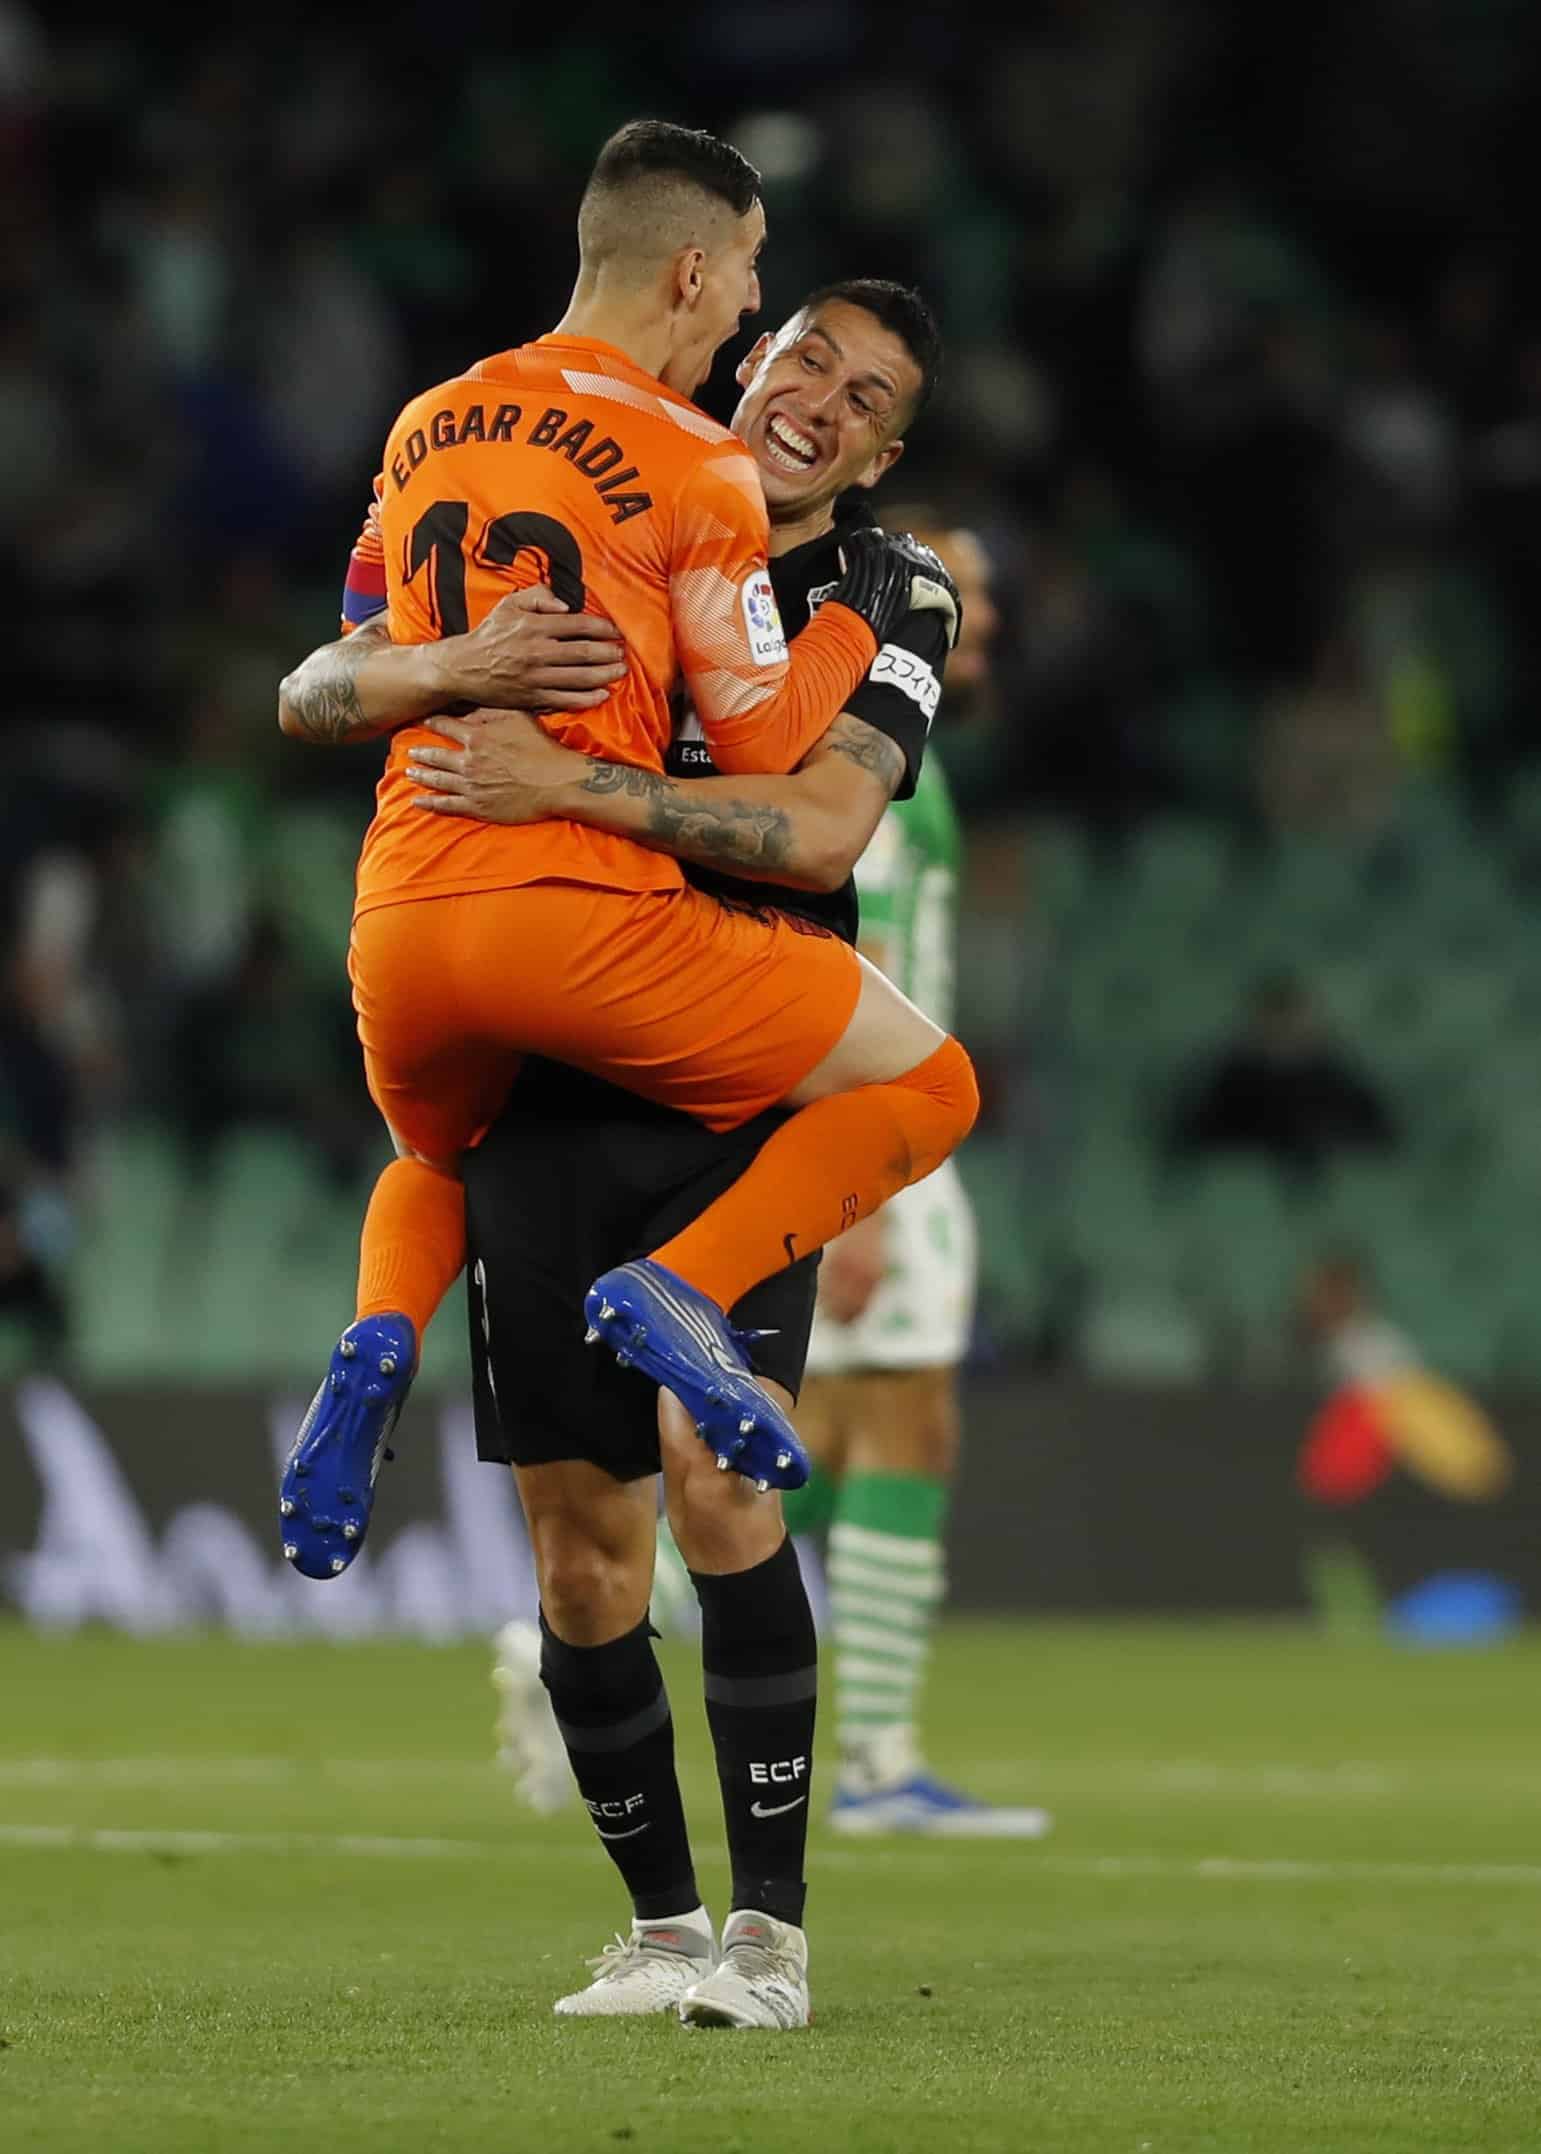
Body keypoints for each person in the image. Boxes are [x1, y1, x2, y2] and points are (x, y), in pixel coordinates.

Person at [277, 273, 954, 2029]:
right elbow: (352, 662)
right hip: (552, 1073)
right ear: (745, 343)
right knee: (579, 1554)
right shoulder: (597, 481)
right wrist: (453, 667)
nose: (820, 396)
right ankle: (661, 1927)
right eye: (805, 349)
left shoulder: (891, 585)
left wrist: (578, 787)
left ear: (884, 451)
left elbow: (817, 831)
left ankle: (773, 1933)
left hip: (734, 1072)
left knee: (720, 1489)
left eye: (866, 397)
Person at [277, 119, 974, 1591]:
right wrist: (870, 604)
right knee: (935, 1080)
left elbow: (318, 683)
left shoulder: (427, 423)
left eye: (864, 398)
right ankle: (685, 1287)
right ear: (702, 279)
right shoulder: (689, 471)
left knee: (428, 1155)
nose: (745, 319)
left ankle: (379, 1336)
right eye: (762, 301)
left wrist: (447, 661)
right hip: (600, 942)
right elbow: (790, 760)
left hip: (403, 925)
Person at [764, 510, 1050, 1838]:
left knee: (839, 1432)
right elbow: (848, 961)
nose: (978, 620)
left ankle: (609, 1607)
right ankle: (872, 1758)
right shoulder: (873, 758)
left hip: (890, 1123)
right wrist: (861, 1194)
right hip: (881, 1123)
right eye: (961, 595)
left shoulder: (905, 753)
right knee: (894, 1421)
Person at [1165, 969, 1398, 1182]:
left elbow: (1377, 1143)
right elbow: (1198, 1143)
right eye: (1273, 1017)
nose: (1283, 1028)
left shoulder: (1341, 1083)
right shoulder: (1227, 1083)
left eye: (1291, 1017)